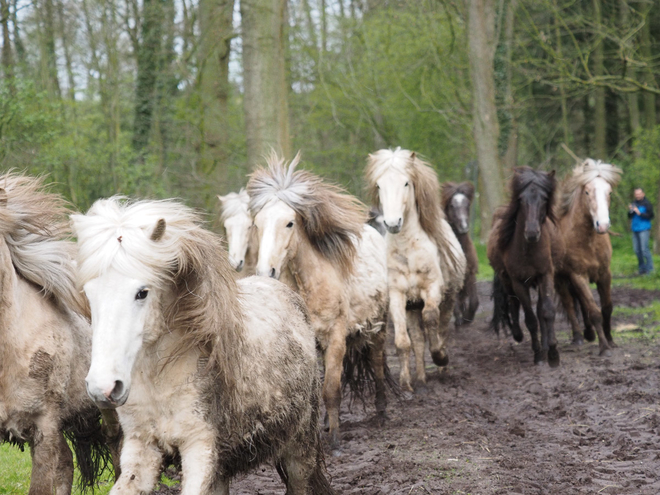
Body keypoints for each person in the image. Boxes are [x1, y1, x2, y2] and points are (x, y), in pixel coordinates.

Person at [628, 187, 654, 275]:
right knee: (637, 250)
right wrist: (631, 210)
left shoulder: (647, 204)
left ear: (643, 194)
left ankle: (650, 269)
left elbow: (651, 216)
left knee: (644, 249)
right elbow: (629, 216)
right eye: (636, 194)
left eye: (639, 194)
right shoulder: (634, 203)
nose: (638, 195)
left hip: (644, 229)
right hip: (635, 229)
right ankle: (642, 269)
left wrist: (639, 213)